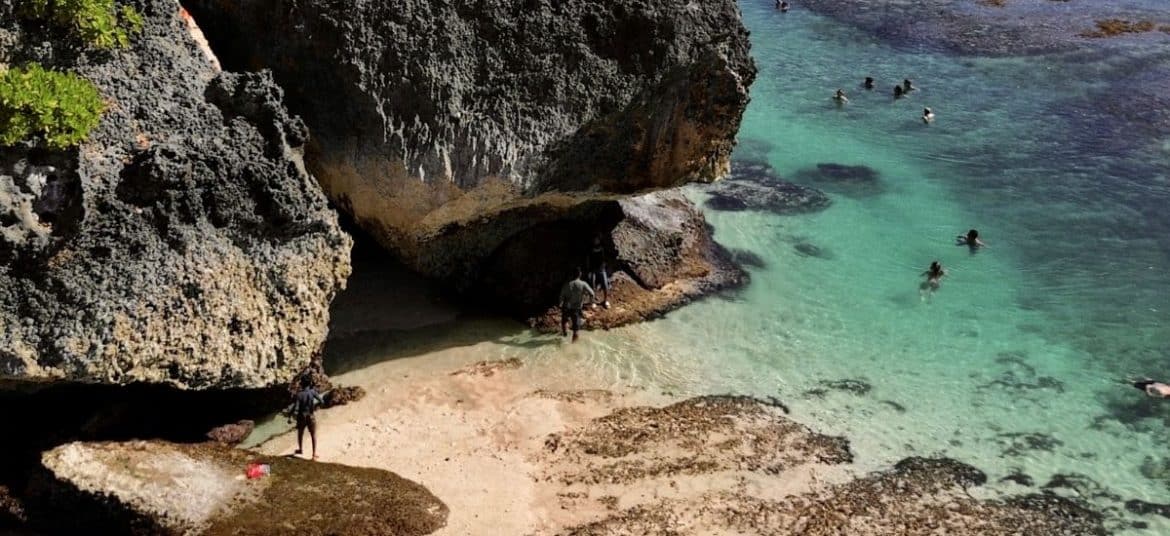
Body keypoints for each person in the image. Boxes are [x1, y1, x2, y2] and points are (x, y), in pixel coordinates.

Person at [289, 374, 325, 460]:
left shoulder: (299, 394)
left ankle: (301, 449)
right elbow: (322, 401)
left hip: (301, 416)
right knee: (313, 435)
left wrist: (290, 417)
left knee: (300, 433)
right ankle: (314, 454)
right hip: (311, 415)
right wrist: (316, 407)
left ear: (302, 383)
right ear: (310, 383)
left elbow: (296, 408)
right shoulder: (312, 392)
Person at [559, 267, 595, 342]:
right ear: (580, 274)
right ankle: (573, 348)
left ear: (572, 275)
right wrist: (590, 303)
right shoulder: (583, 284)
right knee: (576, 330)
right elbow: (592, 294)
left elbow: (561, 297)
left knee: (564, 321)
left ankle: (564, 335)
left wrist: (560, 304)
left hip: (566, 307)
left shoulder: (567, 284)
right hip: (576, 308)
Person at [587, 235, 611, 309]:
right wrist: (588, 269)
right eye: (594, 239)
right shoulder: (590, 249)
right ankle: (593, 302)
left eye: (597, 239)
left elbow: (605, 258)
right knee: (592, 285)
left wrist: (605, 265)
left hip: (601, 269)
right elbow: (588, 259)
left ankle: (606, 301)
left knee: (605, 285)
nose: (596, 241)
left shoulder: (602, 248)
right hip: (593, 269)